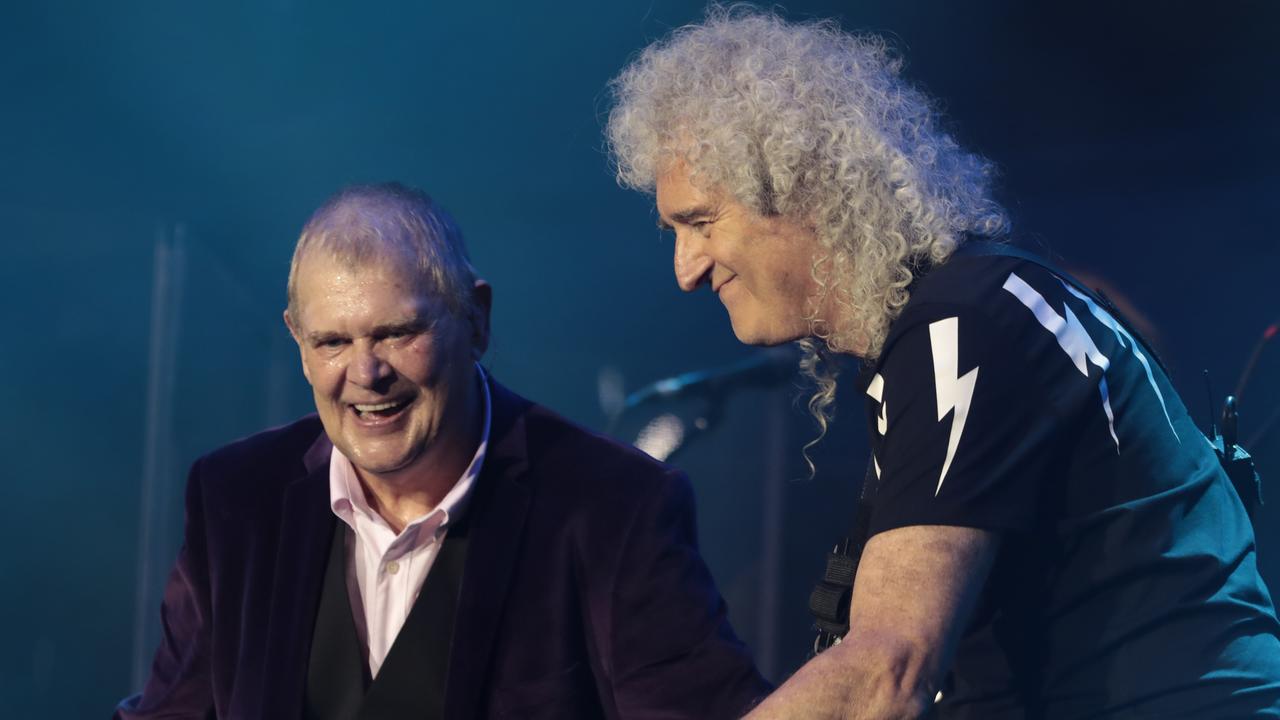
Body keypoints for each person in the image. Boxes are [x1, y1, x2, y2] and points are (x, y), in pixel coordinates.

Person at [606, 8, 1280, 719]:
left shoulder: (966, 322)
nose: (686, 269)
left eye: (701, 222)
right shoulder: (968, 316)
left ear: (798, 182)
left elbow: (886, 671)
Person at [116, 183, 770, 719]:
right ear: (296, 340)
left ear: (475, 319)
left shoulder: (614, 507)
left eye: (397, 333)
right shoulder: (237, 499)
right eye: (332, 343)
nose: (366, 373)